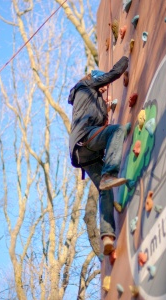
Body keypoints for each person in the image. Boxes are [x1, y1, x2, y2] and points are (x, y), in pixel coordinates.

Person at [68, 56, 130, 255]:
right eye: (101, 85)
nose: (103, 89)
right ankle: (110, 172)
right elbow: (113, 74)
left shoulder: (88, 98)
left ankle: (107, 236)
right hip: (86, 139)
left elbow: (97, 116)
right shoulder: (86, 85)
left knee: (105, 189)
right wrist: (127, 58)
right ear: (95, 79)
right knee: (117, 131)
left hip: (84, 154)